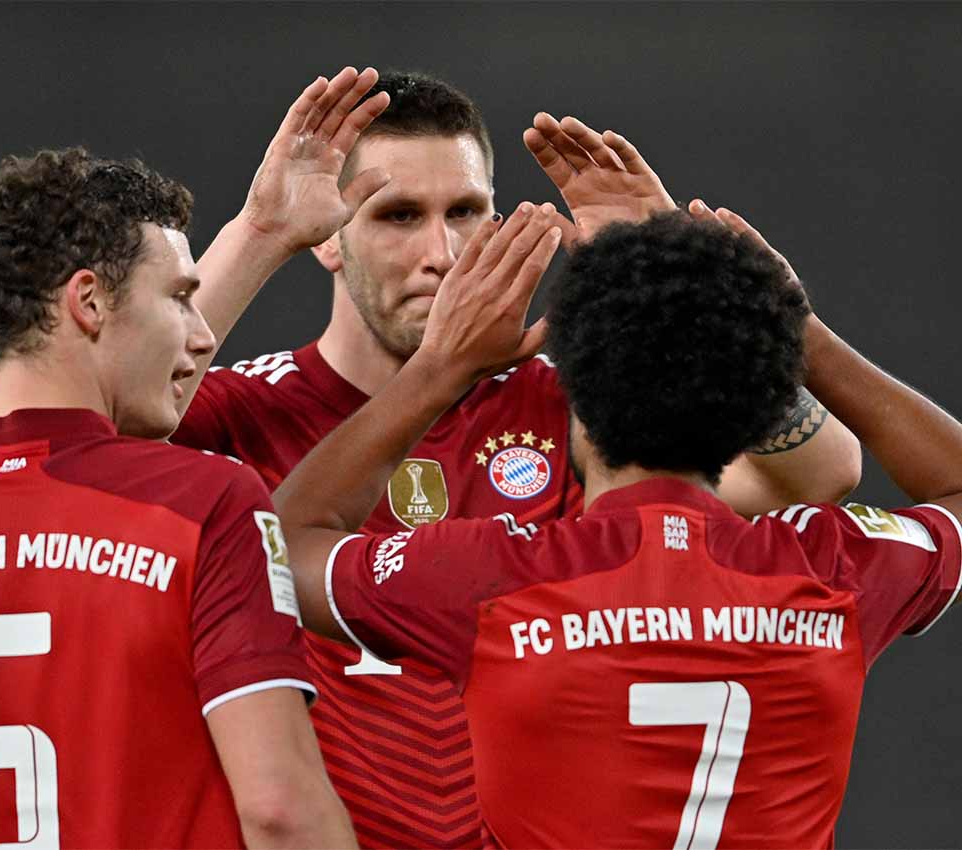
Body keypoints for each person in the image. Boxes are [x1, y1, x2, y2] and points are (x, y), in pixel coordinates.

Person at [171, 70, 863, 847]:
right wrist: (261, 232)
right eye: (399, 215)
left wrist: (690, 281)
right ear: (328, 235)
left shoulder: (567, 404)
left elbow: (820, 472)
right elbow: (101, 434)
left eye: (466, 213)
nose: (441, 253)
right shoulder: (241, 408)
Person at [0, 69, 382, 849]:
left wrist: (260, 232)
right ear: (87, 302)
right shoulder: (206, 506)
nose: (201, 335)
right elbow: (281, 814)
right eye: (178, 299)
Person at [271, 203, 961, 847]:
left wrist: (439, 369)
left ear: (579, 399)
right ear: (757, 396)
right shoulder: (833, 567)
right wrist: (784, 319)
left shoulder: (492, 578)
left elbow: (286, 541)